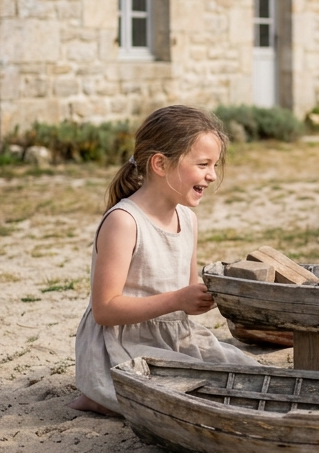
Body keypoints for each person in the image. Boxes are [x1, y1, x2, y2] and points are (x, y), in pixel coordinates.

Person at [69, 105, 258, 416]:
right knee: (193, 399)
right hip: (124, 342)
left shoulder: (188, 219)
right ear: (160, 163)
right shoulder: (125, 221)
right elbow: (105, 309)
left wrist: (215, 294)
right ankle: (98, 393)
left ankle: (107, 398)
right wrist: (178, 299)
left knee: (245, 372)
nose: (211, 175)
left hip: (176, 336)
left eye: (214, 165)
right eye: (202, 164)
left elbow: (187, 290)